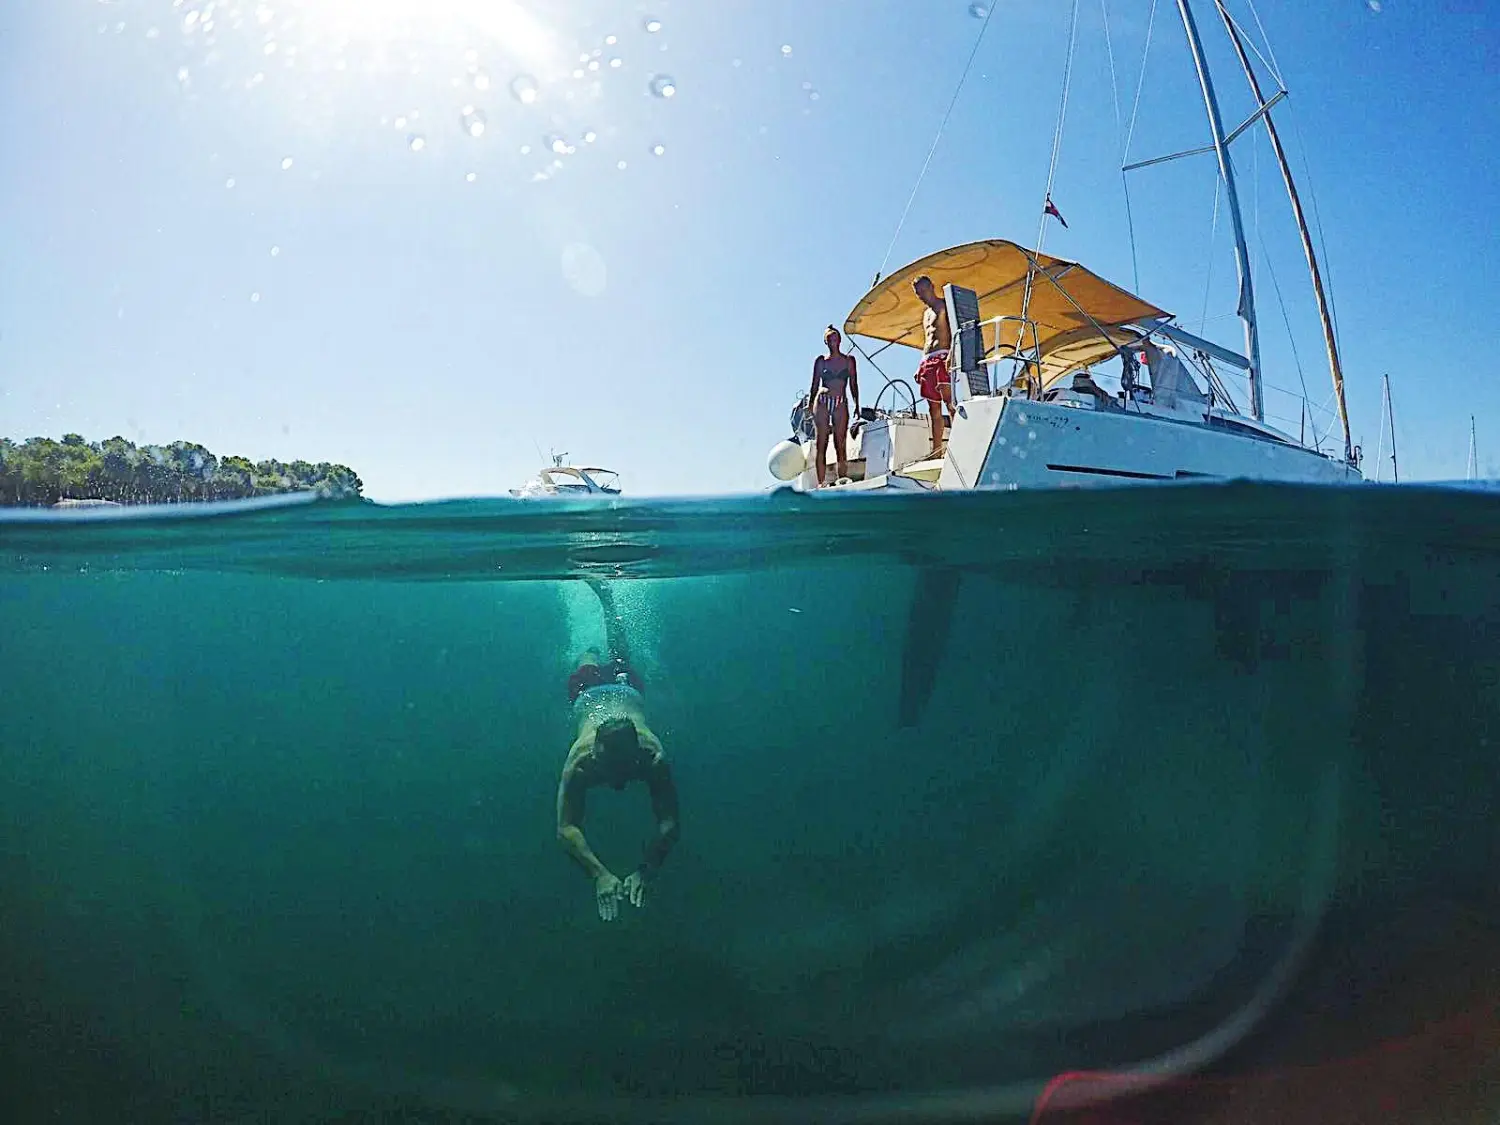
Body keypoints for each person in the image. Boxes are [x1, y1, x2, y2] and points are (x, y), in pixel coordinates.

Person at [556, 580, 680, 922]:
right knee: (602, 657)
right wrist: (599, 874)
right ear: (596, 752)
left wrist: (646, 869)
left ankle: (607, 605)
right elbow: (564, 827)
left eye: (616, 768)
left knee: (617, 656)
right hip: (595, 695)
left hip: (614, 694)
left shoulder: (652, 756)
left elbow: (671, 822)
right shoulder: (581, 761)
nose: (614, 778)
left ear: (632, 757)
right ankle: (603, 611)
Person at [805, 326, 860, 487]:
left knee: (840, 443)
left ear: (840, 340)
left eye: (834, 338)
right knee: (821, 443)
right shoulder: (821, 361)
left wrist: (857, 404)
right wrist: (810, 405)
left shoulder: (849, 360)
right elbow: (814, 384)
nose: (832, 341)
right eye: (829, 339)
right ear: (825, 342)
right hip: (822, 401)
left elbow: (854, 384)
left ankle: (842, 479)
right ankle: (821, 483)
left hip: (840, 401)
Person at [912, 275, 956, 455]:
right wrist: (920, 364)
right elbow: (927, 340)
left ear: (931, 286)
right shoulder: (926, 314)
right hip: (928, 359)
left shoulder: (945, 305)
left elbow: (955, 331)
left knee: (950, 403)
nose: (921, 295)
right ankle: (936, 451)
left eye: (923, 290)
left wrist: (952, 355)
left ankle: (958, 445)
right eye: (918, 293)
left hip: (944, 357)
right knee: (933, 409)